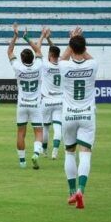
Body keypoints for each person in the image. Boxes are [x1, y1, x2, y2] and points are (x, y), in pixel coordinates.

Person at [60, 27, 98, 209]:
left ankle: (71, 192)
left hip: (68, 115)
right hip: (87, 115)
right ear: (85, 47)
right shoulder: (93, 65)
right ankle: (81, 190)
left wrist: (72, 41)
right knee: (85, 153)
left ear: (71, 48)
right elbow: (88, 57)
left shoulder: (64, 66)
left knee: (69, 152)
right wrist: (79, 42)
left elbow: (63, 58)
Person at [7, 23, 44, 169]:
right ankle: (35, 154)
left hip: (22, 104)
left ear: (21, 59)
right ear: (32, 58)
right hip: (35, 104)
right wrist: (27, 38)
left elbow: (9, 51)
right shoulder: (38, 65)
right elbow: (39, 51)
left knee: (21, 133)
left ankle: (22, 162)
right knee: (38, 132)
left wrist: (15, 36)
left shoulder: (18, 66)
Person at [39, 28, 63, 159]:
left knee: (45, 128)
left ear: (49, 54)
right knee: (58, 126)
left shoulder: (45, 64)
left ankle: (44, 151)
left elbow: (37, 49)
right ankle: (55, 150)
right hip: (59, 100)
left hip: (46, 101)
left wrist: (43, 37)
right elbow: (54, 50)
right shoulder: (63, 65)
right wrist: (49, 39)